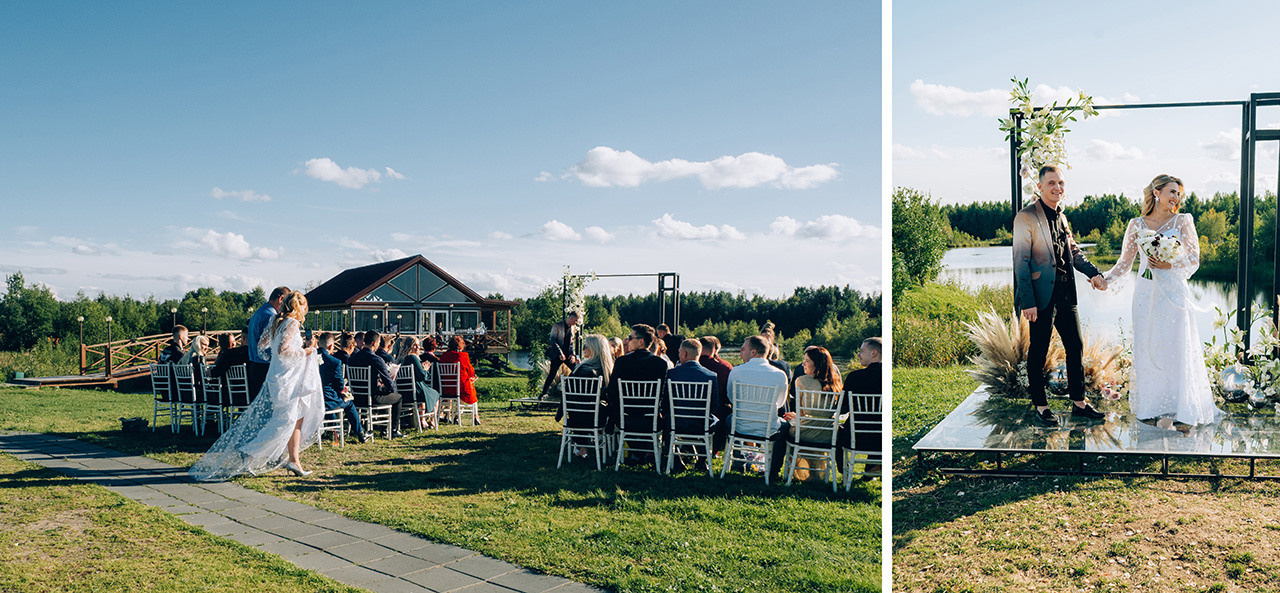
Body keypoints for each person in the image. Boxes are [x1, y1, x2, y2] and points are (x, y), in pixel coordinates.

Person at [1101, 174, 1219, 425]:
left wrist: (1169, 264)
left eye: (1179, 193)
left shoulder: (1183, 221)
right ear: (1157, 192)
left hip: (1174, 293)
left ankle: (1181, 408)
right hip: (1145, 292)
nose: (1176, 197)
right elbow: (1125, 262)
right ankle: (1151, 407)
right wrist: (1104, 279)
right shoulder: (1136, 224)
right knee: (1148, 346)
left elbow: (1194, 260)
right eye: (1172, 192)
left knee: (1176, 347)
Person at [190, 291, 324, 481]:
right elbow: (284, 350)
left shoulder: (275, 321)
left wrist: (275, 362)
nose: (305, 311)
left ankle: (294, 460)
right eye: (304, 307)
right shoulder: (292, 323)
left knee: (296, 418)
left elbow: (261, 345)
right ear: (297, 306)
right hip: (287, 379)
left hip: (277, 376)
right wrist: (307, 351)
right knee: (283, 421)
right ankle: (250, 451)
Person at [1014, 165, 1107, 427]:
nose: (1058, 188)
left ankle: (1079, 403)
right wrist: (1028, 302)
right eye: (1052, 183)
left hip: (1066, 293)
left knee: (1075, 346)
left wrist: (1094, 273)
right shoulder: (1026, 217)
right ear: (1040, 187)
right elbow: (1020, 262)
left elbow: (1075, 252)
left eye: (1061, 183)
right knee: (1039, 351)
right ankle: (1041, 406)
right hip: (1041, 297)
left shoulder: (1063, 218)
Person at [726, 335, 789, 481]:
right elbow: (780, 404)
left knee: (728, 419)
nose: (741, 350)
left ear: (753, 352)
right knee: (785, 427)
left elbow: (731, 398)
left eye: (744, 348)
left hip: (740, 427)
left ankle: (738, 461)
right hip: (768, 428)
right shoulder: (780, 374)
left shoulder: (736, 371)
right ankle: (773, 471)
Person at [666, 339, 721, 471]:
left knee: (666, 419)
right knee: (716, 422)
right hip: (701, 423)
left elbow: (666, 402)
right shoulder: (711, 375)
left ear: (684, 354)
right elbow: (714, 405)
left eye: (679, 352)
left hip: (677, 422)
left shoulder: (672, 374)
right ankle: (702, 460)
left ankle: (676, 459)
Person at [557, 333, 614, 457]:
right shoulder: (606, 368)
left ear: (594, 349)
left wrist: (560, 412)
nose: (583, 349)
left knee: (577, 407)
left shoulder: (582, 370)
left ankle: (582, 446)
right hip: (599, 417)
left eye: (585, 346)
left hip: (577, 417)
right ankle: (600, 440)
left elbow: (569, 395)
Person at [607, 324, 670, 433]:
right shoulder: (660, 364)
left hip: (625, 418)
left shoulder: (622, 362)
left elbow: (612, 391)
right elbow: (663, 394)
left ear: (641, 342)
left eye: (630, 338)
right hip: (651, 419)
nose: (627, 341)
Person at [347, 330, 406, 438]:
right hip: (372, 398)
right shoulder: (376, 359)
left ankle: (378, 428)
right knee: (398, 397)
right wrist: (392, 389)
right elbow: (388, 381)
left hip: (356, 398)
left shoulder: (352, 358)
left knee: (385, 392)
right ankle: (393, 430)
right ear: (374, 343)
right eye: (378, 343)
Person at [317, 332, 369, 443]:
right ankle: (360, 433)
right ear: (331, 346)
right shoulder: (334, 362)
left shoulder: (309, 357)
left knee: (335, 401)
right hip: (327, 400)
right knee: (349, 403)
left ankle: (335, 432)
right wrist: (344, 392)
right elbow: (340, 386)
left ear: (318, 343)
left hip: (312, 399)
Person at [842, 337, 882, 479]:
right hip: (881, 437)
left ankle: (843, 471)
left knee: (835, 434)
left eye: (861, 351)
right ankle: (873, 467)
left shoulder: (855, 377)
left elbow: (841, 409)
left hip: (856, 436)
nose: (858, 355)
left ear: (873, 353)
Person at [247, 286, 290, 399]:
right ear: (280, 299)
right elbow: (268, 345)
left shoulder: (259, 312)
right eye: (286, 303)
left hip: (254, 364)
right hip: (264, 367)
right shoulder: (270, 316)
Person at [698, 335, 734, 452]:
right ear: (714, 350)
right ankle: (715, 449)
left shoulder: (689, 364)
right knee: (726, 411)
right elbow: (729, 393)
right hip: (716, 411)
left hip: (689, 410)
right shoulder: (724, 367)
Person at [400, 336, 442, 429]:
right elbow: (422, 376)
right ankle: (432, 421)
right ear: (409, 346)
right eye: (415, 345)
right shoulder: (413, 358)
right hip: (416, 390)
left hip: (404, 391)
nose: (418, 347)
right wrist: (425, 369)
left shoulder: (401, 358)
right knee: (435, 394)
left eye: (418, 345)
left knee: (424, 395)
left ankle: (422, 420)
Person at [438, 335, 479, 425]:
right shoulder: (463, 356)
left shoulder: (444, 356)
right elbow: (471, 371)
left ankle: (451, 416)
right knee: (470, 386)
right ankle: (474, 416)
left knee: (463, 386)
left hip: (446, 387)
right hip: (461, 387)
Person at [540, 311, 581, 398]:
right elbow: (552, 340)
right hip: (556, 353)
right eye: (576, 320)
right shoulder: (557, 325)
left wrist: (572, 354)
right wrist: (560, 353)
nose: (576, 322)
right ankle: (543, 393)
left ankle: (572, 392)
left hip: (567, 354)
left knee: (576, 370)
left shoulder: (573, 328)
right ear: (571, 318)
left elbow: (572, 343)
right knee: (552, 374)